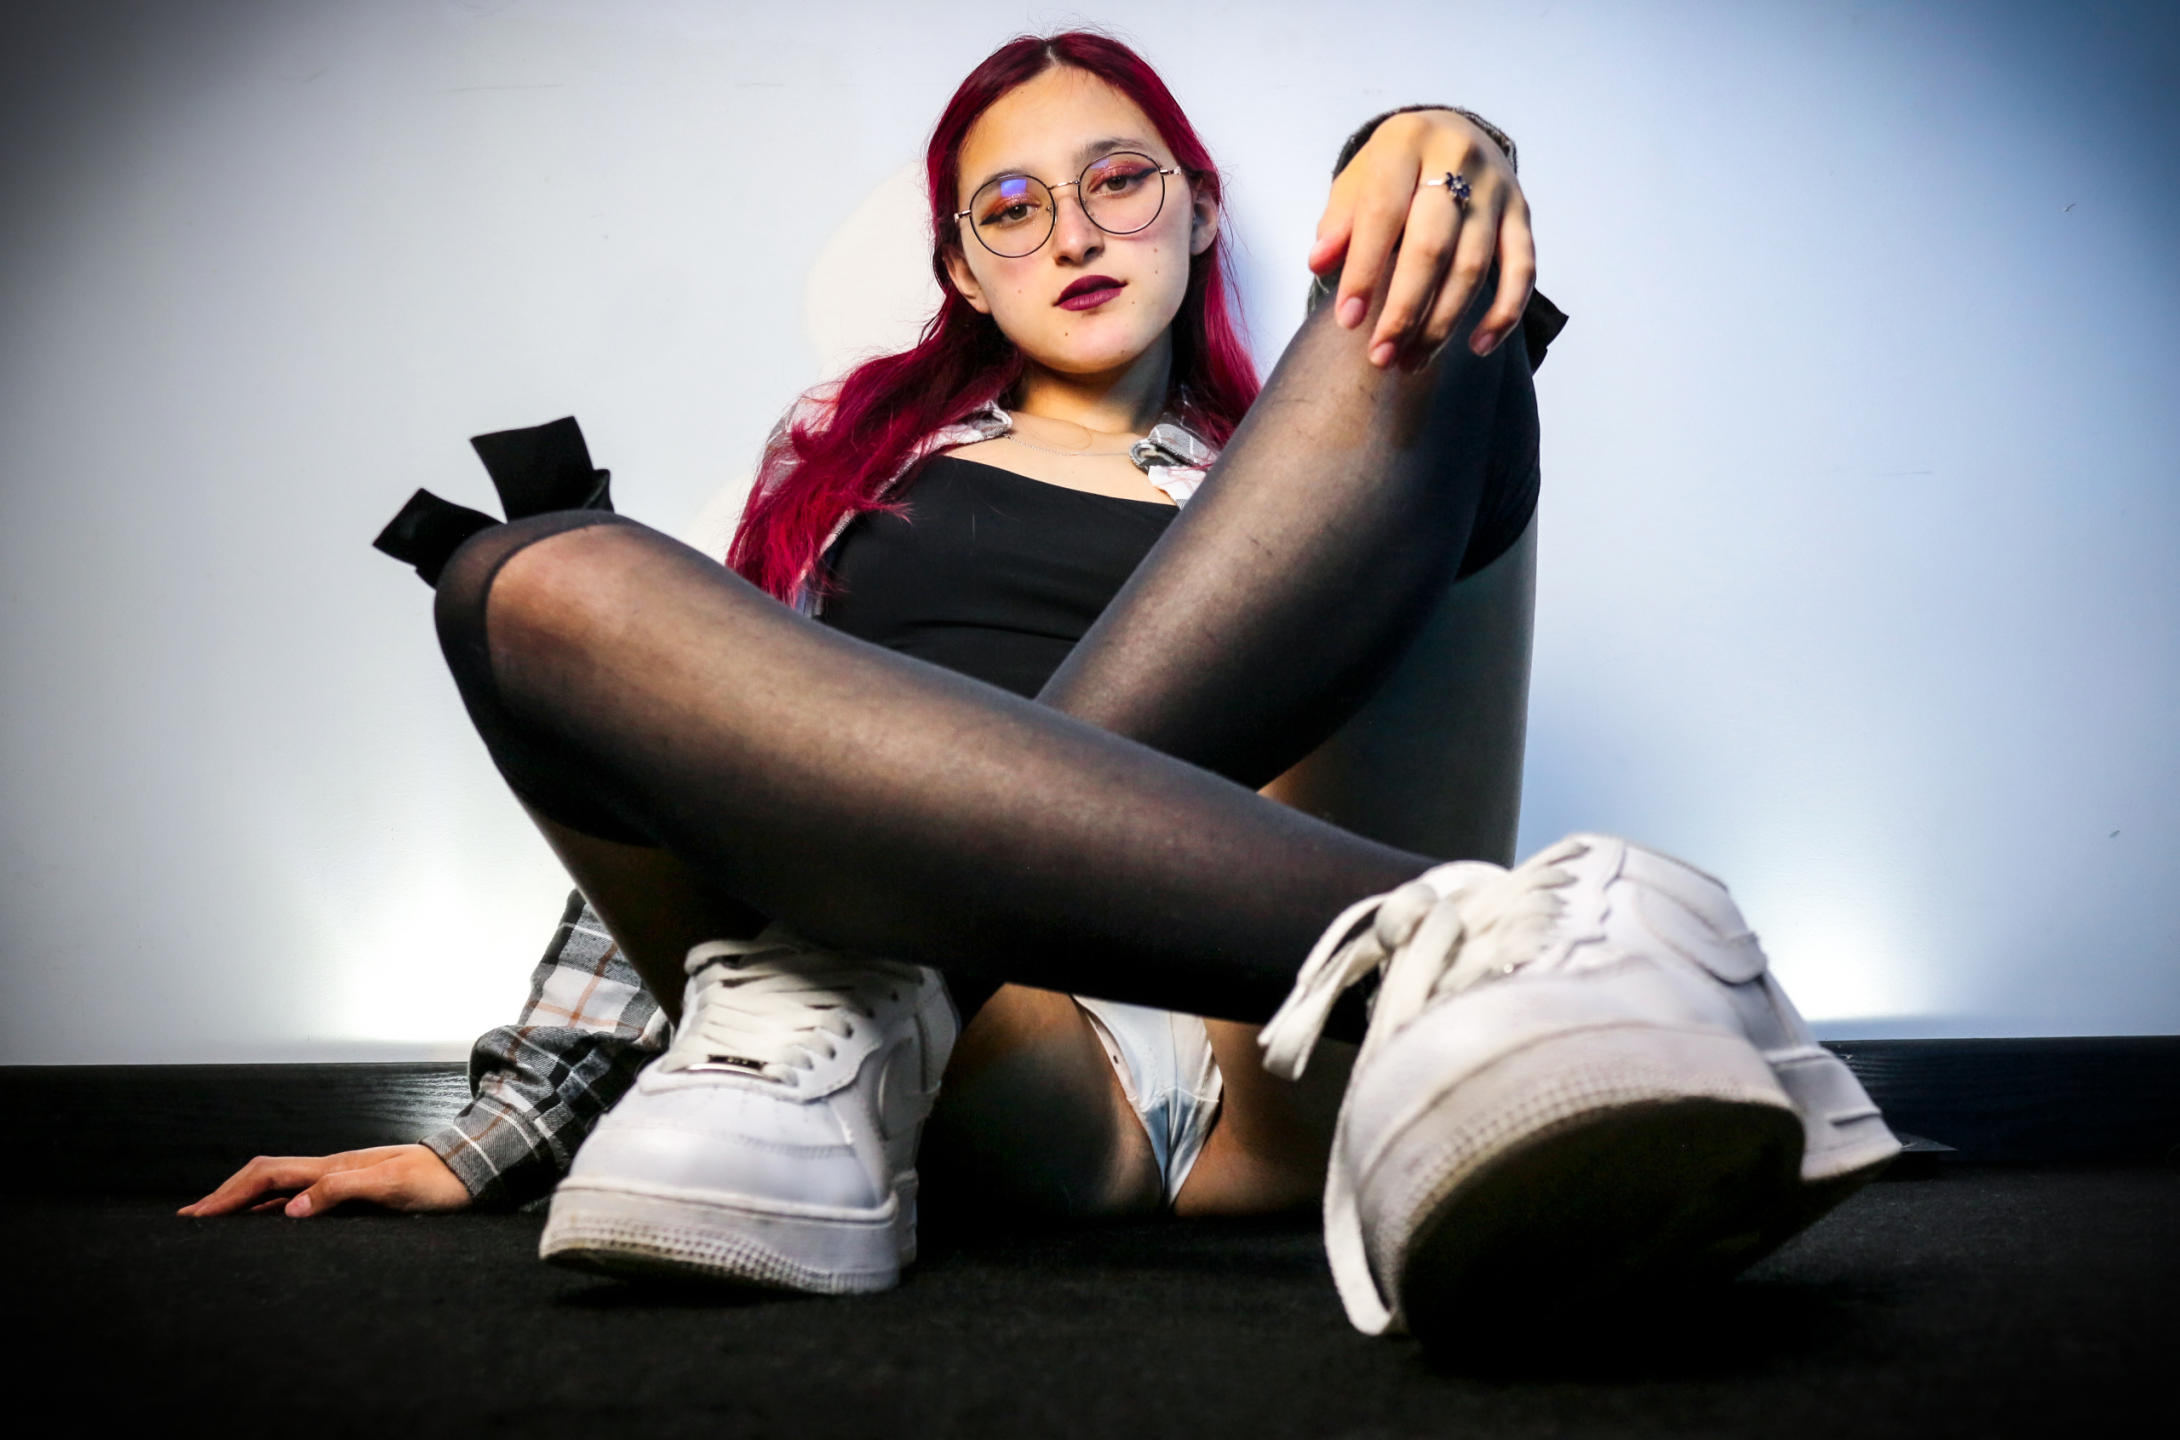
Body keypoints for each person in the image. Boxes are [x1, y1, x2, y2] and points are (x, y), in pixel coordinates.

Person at [183, 31, 1897, 1344]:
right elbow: (713, 790)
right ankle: (1534, 952)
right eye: (1012, 208)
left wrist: (1437, 140)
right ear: (962, 268)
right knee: (522, 579)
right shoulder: (850, 491)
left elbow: (1427, 278)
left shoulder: (1304, 469)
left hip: (1291, 1040)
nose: (1073, 231)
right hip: (991, 1062)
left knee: (1435, 324)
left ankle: (1451, 965)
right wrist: (498, 1129)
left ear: (1203, 207)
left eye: (1120, 180)